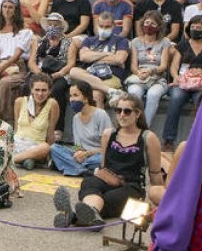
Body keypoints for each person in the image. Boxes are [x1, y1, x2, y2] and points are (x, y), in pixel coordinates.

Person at [52, 93, 164, 228]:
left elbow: (155, 173)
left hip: (131, 186)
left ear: (138, 113)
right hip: (108, 178)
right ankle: (92, 213)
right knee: (89, 183)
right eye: (118, 110)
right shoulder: (108, 134)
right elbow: (104, 165)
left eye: (127, 111)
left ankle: (74, 217)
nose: (121, 115)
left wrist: (157, 201)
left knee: (110, 198)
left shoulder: (149, 138)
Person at [160, 15, 202, 151]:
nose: (195, 30)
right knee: (176, 98)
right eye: (193, 27)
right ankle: (168, 139)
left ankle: (200, 138)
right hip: (183, 82)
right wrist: (176, 77)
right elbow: (174, 66)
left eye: (199, 28)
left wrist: (200, 72)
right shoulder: (182, 45)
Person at [0, 0, 34, 122]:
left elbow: (17, 55)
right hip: (1, 63)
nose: (7, 10)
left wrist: (3, 67)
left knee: (3, 84)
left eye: (10, 7)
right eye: (4, 7)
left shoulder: (24, 30)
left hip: (17, 67)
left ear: (16, 10)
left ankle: (5, 121)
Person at [67, 11, 130, 106]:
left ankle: (100, 119)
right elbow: (83, 57)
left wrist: (92, 56)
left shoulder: (121, 41)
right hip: (90, 73)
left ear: (113, 26)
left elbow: (119, 60)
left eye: (107, 27)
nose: (104, 29)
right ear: (97, 25)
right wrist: (106, 54)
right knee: (73, 71)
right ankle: (112, 91)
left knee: (96, 94)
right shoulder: (89, 40)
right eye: (101, 26)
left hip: (111, 75)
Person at [49, 80, 109, 176]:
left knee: (104, 159)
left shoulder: (101, 115)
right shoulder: (76, 118)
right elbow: (77, 145)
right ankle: (84, 171)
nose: (72, 99)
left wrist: (87, 154)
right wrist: (78, 153)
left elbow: (107, 148)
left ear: (86, 97)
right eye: (70, 96)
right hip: (83, 157)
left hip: (96, 155)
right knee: (54, 148)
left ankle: (70, 167)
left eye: (76, 95)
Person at [127, 11, 171, 126]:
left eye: (153, 23)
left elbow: (163, 66)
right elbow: (133, 65)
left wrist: (152, 71)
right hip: (139, 76)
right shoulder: (135, 41)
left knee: (153, 94)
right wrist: (138, 72)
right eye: (147, 22)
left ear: (159, 26)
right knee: (134, 93)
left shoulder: (165, 42)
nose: (149, 26)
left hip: (157, 78)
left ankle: (144, 127)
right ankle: (133, 124)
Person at [12, 75, 60, 171]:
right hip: (17, 142)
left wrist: (49, 153)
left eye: (44, 90)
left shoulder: (52, 104)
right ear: (31, 90)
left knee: (46, 147)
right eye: (37, 90)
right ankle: (25, 160)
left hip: (35, 147)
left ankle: (13, 159)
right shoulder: (20, 101)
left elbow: (50, 134)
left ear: (49, 91)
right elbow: (16, 128)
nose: (40, 93)